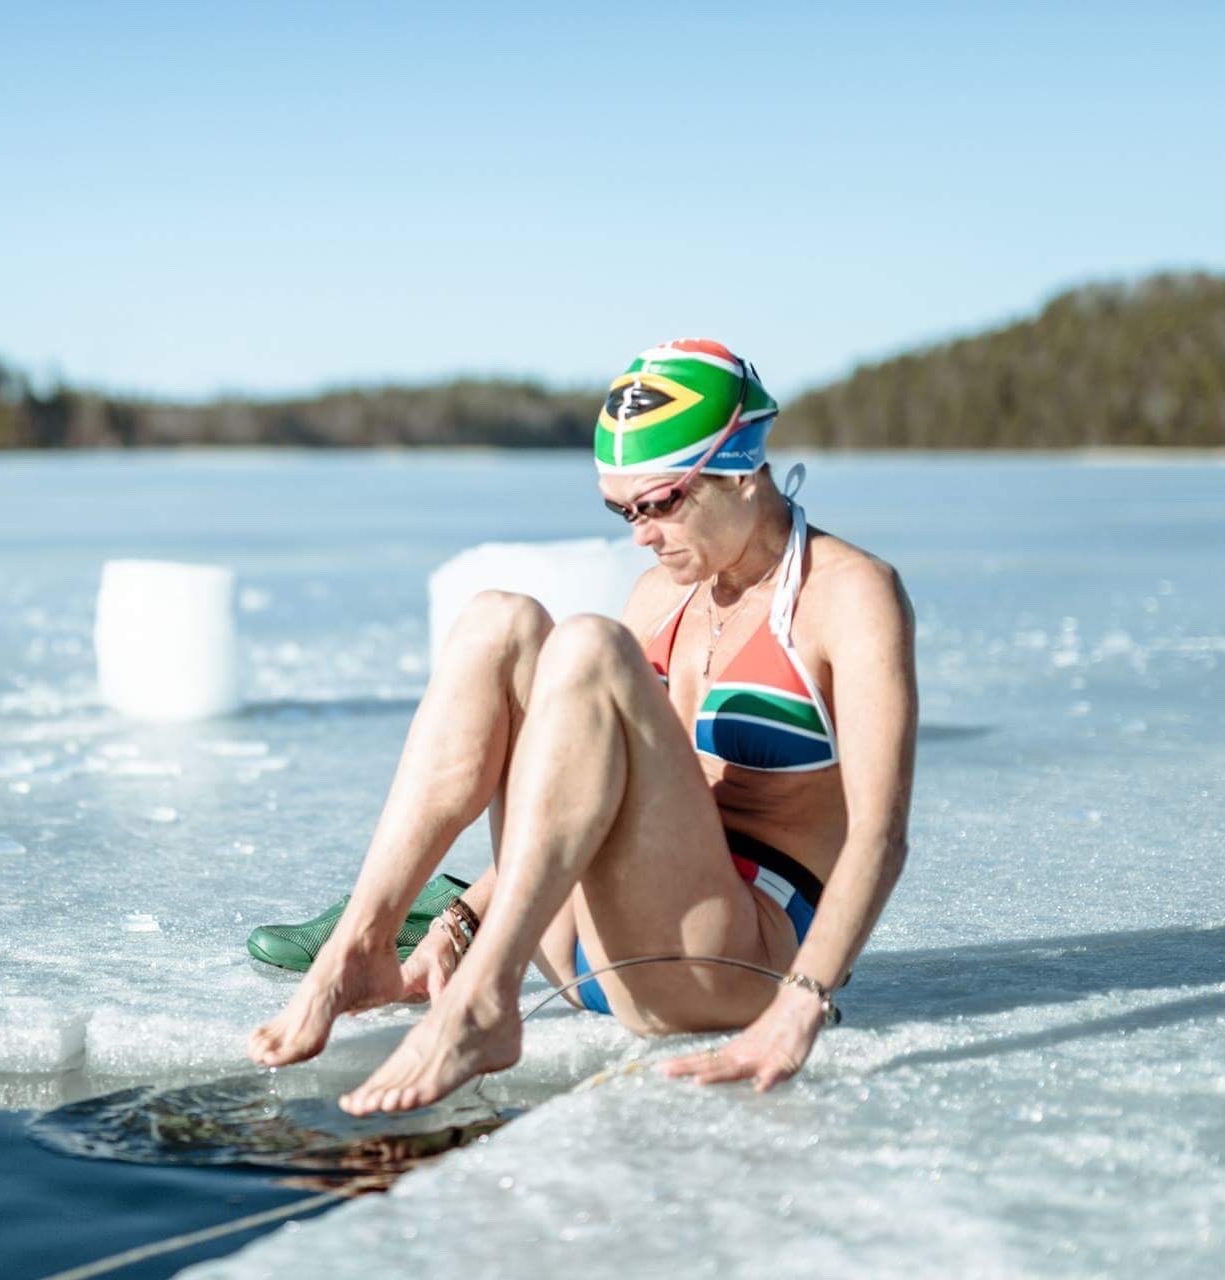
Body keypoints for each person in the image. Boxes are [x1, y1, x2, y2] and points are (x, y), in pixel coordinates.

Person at [248, 339, 917, 1115]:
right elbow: (574, 795)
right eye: (621, 509)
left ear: (738, 465)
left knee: (589, 647)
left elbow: (881, 834)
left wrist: (800, 1010)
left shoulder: (850, 595)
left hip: (732, 962)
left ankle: (485, 1003)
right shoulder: (659, 596)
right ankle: (359, 947)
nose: (641, 533)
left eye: (660, 502)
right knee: (497, 621)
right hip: (597, 949)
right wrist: (462, 919)